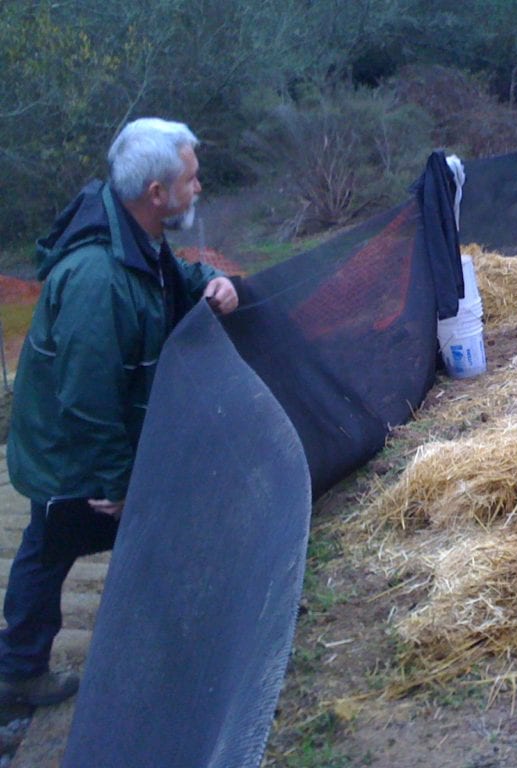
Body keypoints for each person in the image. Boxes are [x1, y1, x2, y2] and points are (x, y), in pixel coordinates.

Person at [0, 118, 239, 706]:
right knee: (59, 544)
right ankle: (29, 673)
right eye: (191, 177)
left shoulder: (134, 234)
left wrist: (214, 282)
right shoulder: (96, 278)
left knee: (48, 547)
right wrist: (120, 481)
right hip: (71, 455)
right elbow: (86, 399)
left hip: (88, 446)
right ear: (157, 193)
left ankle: (18, 669)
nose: (199, 186)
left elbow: (172, 278)